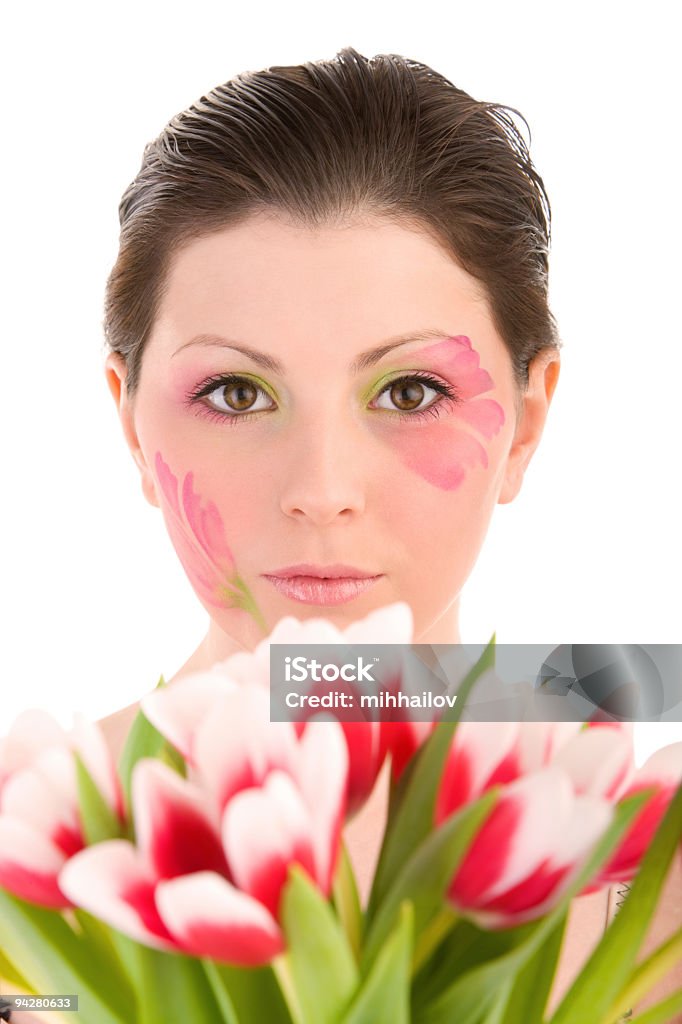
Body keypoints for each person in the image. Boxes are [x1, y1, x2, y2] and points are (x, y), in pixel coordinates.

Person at [3, 46, 679, 1022]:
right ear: (131, 424)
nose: (320, 491)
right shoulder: (27, 854)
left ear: (527, 421)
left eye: (410, 391)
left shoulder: (646, 869)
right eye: (236, 392)